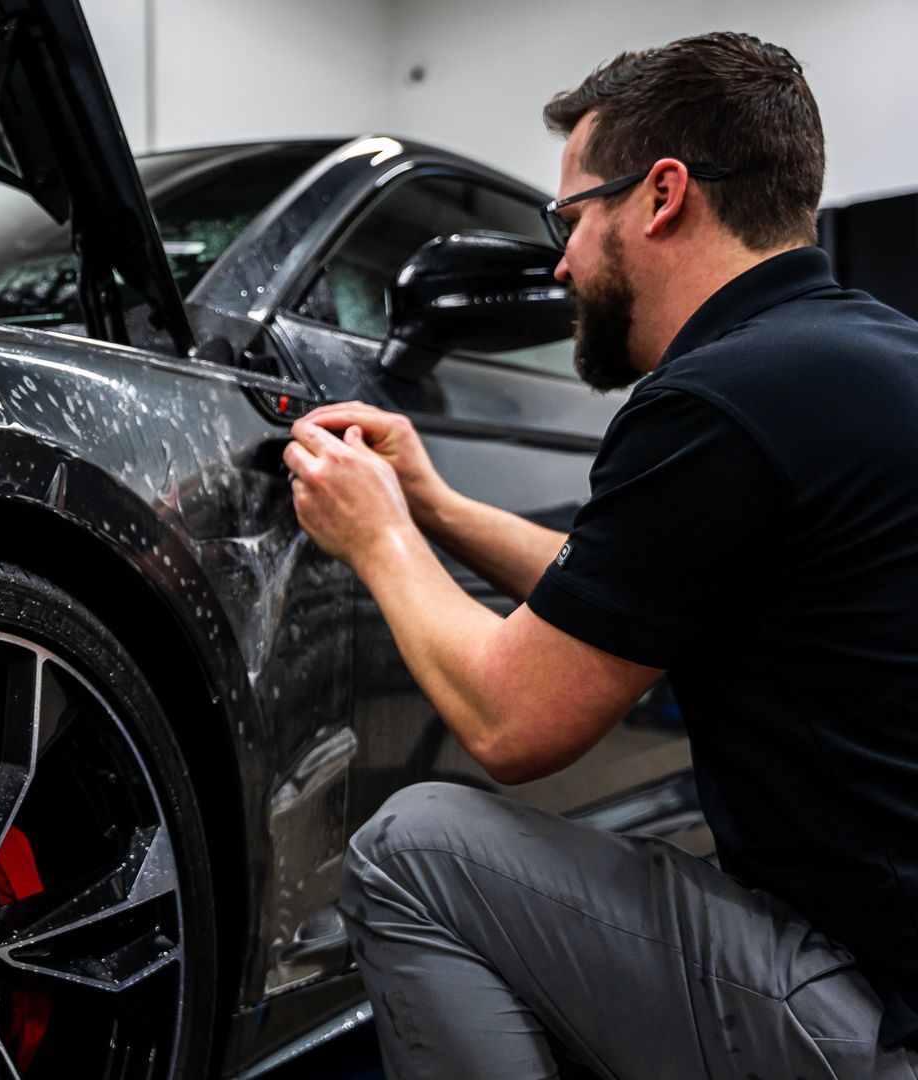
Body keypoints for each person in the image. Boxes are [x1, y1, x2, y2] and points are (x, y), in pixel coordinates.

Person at [284, 31, 918, 1079]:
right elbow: (616, 594)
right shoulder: (857, 359)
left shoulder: (714, 401)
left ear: (662, 195)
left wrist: (378, 535)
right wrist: (435, 506)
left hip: (875, 1017)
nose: (562, 262)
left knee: (413, 850)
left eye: (570, 217)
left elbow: (513, 720)